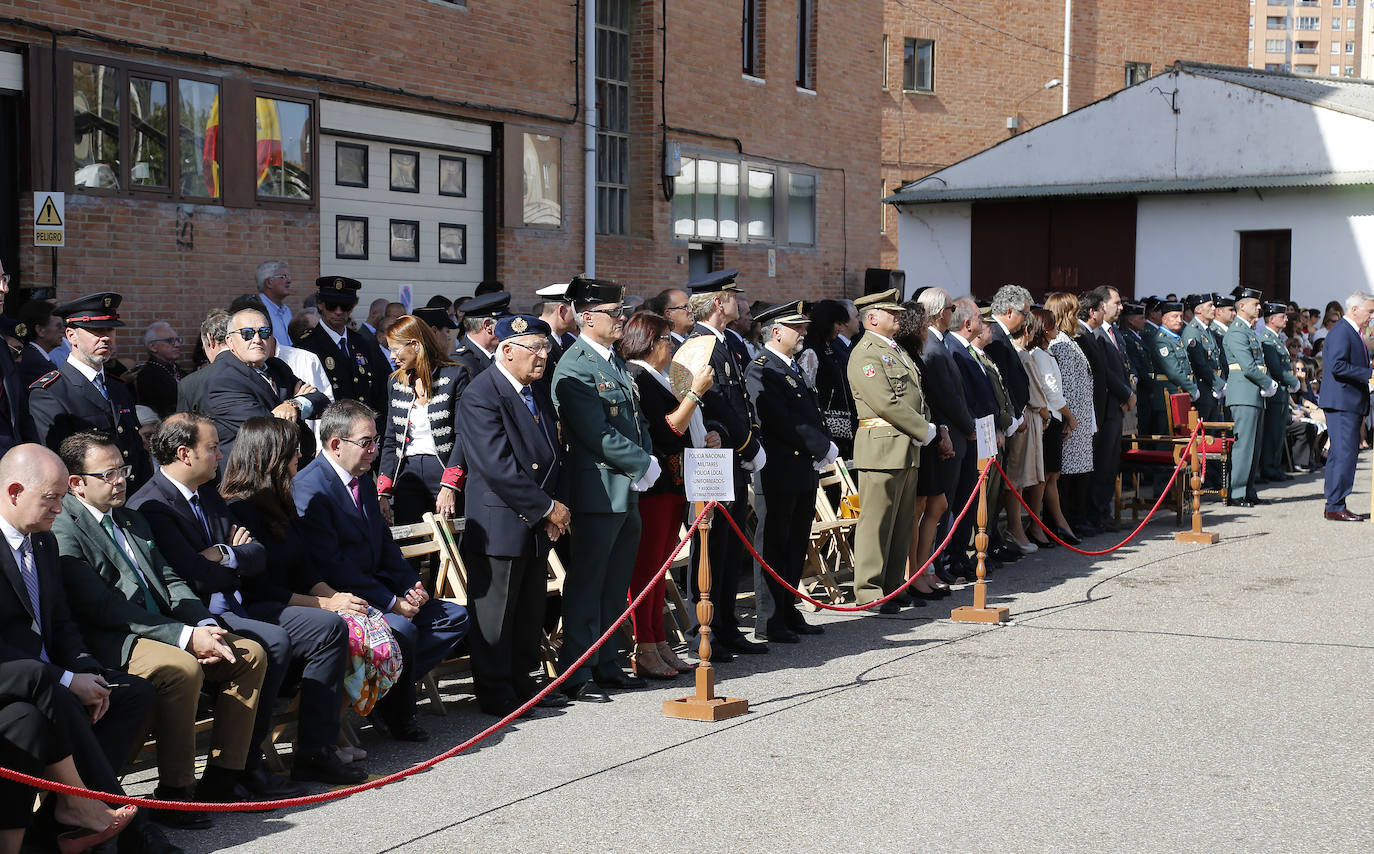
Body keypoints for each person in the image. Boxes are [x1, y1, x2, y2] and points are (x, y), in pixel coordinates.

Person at [129, 413, 360, 788]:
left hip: (237, 605)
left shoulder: (206, 492)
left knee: (329, 628)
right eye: (212, 448)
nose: (221, 455)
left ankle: (315, 752)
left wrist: (223, 554)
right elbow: (192, 576)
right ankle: (242, 764)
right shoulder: (153, 505)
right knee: (273, 642)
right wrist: (233, 560)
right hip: (198, 616)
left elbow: (256, 555)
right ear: (185, 454)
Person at [51, 431, 269, 824]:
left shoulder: (131, 517)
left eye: (123, 469)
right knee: (181, 668)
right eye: (108, 474)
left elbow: (169, 579)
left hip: (166, 626)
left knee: (248, 654)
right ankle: (175, 792)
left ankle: (222, 779)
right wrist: (186, 637)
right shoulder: (64, 527)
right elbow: (101, 606)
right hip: (116, 637)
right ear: (77, 483)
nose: (121, 480)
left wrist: (203, 623)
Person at [294, 400, 469, 740]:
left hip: (380, 588)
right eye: (366, 442)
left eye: (375, 440)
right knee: (402, 630)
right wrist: (391, 602)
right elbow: (332, 565)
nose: (375, 450)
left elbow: (384, 542)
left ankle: (379, 692)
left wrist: (409, 585)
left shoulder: (361, 476)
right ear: (336, 444)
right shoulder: (311, 487)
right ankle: (398, 713)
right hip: (347, 599)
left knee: (453, 617)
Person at [220, 417, 385, 772]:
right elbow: (260, 586)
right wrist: (325, 604)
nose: (300, 456)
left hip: (293, 602)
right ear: (270, 456)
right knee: (329, 627)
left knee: (353, 617)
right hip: (258, 608)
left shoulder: (280, 499)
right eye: (293, 451)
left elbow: (305, 569)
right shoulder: (239, 508)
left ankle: (329, 734)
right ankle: (315, 749)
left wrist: (338, 598)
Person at [457, 316, 571, 714]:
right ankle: (495, 692)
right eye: (534, 348)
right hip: (501, 522)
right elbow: (497, 465)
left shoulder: (534, 390)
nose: (543, 356)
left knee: (527, 611)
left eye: (545, 348)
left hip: (535, 520)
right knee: (496, 615)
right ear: (507, 350)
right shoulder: (481, 394)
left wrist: (553, 508)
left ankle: (523, 683)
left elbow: (555, 452)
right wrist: (547, 508)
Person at [552, 278, 659, 695]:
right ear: (588, 317)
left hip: (626, 487)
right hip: (597, 487)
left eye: (622, 311)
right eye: (614, 313)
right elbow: (594, 432)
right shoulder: (576, 364)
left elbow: (637, 420)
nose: (622, 319)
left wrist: (645, 459)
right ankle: (577, 671)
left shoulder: (613, 361)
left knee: (615, 583)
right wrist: (641, 463)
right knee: (588, 583)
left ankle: (607, 662)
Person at [622, 312, 714, 676]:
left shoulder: (659, 376)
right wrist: (694, 394)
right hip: (654, 485)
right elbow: (666, 431)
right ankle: (644, 645)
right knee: (647, 569)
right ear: (649, 342)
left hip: (674, 482)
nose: (672, 347)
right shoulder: (637, 376)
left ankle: (659, 641)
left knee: (660, 569)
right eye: (666, 340)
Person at [683, 270, 767, 655]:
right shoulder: (700, 345)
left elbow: (740, 400)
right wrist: (745, 444)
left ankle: (727, 624)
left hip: (730, 455)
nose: (739, 301)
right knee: (710, 545)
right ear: (718, 302)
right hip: (713, 458)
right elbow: (709, 404)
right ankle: (703, 630)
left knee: (730, 546)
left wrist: (749, 440)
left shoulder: (725, 341)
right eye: (733, 296)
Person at [745, 301, 836, 640]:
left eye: (803, 327)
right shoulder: (761, 368)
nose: (803, 332)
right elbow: (779, 420)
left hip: (801, 468)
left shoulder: (790, 366)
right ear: (776, 331)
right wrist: (821, 446)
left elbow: (809, 412)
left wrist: (821, 443)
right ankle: (769, 619)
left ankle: (787, 608)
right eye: (796, 327)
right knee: (774, 544)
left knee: (796, 542)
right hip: (779, 468)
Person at [846, 289, 935, 612]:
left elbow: (915, 395)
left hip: (905, 446)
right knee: (877, 522)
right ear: (872, 318)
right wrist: (923, 429)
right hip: (882, 448)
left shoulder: (894, 349)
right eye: (891, 313)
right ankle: (870, 590)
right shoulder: (866, 353)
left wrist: (923, 425)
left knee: (901, 522)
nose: (897, 317)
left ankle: (893, 584)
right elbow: (885, 401)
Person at [28, 293, 147, 485]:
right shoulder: (50, 392)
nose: (106, 337)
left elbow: (137, 451)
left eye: (110, 329)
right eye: (96, 331)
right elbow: (58, 462)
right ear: (71, 336)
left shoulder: (118, 388)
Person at [203, 305, 329, 463]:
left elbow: (322, 401)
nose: (257, 340)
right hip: (252, 471)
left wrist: (294, 405)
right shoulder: (222, 379)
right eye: (247, 333)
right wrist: (295, 407)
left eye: (264, 332)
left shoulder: (278, 367)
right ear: (230, 341)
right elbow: (266, 429)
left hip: (293, 466)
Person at [376, 315, 471, 526]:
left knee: (449, 538)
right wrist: (383, 492)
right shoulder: (395, 381)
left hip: (443, 468)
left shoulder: (455, 375)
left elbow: (463, 434)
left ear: (415, 345)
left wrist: (450, 485)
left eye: (395, 349)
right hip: (407, 473)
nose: (392, 356)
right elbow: (391, 438)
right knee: (411, 539)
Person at [914, 287, 971, 587]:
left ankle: (936, 564)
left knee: (943, 505)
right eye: (951, 307)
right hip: (945, 434)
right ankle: (932, 564)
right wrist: (968, 426)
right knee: (938, 505)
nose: (953, 313)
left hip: (952, 432)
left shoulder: (939, 343)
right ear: (940, 313)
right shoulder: (932, 348)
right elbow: (946, 397)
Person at [944, 297, 1000, 580]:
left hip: (979, 432)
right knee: (961, 500)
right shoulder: (954, 350)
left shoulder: (966, 350)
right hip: (968, 432)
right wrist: (972, 426)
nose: (982, 322)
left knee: (971, 497)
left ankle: (959, 555)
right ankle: (951, 557)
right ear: (967, 324)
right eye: (979, 318)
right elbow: (960, 397)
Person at [292, 277, 389, 412]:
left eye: (345, 306)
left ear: (352, 306)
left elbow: (381, 392)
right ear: (320, 304)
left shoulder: (364, 343)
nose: (338, 312)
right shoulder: (306, 346)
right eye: (331, 305)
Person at [1317, 291, 1374, 520]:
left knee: (1342, 454)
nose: (1372, 316)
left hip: (1348, 401)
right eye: (1370, 311)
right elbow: (1337, 366)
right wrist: (1368, 374)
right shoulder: (1342, 331)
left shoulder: (1351, 331)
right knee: (1343, 455)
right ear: (1355, 309)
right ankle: (1335, 505)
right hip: (1342, 402)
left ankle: (1334, 504)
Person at [1222, 288, 1278, 508]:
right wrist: (1268, 383)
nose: (1259, 307)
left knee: (1254, 446)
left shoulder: (1248, 330)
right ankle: (1236, 492)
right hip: (1243, 394)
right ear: (1242, 306)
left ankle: (1248, 490)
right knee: (1244, 446)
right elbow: (1248, 366)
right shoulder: (1237, 331)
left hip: (1252, 393)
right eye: (1255, 303)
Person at [1046, 293, 1095, 541]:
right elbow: (1066, 386)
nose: (1077, 317)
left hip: (1080, 418)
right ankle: (1063, 522)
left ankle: (1074, 519)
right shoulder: (1061, 343)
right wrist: (1069, 419)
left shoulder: (1068, 339)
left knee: (1075, 473)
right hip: (1071, 419)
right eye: (1074, 312)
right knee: (1065, 475)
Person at [1090, 286, 1135, 524]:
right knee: (1103, 462)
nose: (1121, 307)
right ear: (1102, 304)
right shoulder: (1097, 333)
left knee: (1111, 463)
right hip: (1106, 406)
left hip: (1118, 406)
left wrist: (1128, 394)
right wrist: (1126, 393)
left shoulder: (1114, 331)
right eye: (1116, 303)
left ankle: (1104, 512)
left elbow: (1123, 366)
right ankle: (1097, 513)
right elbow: (1105, 371)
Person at [799, 299, 858, 460]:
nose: (840, 329)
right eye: (837, 323)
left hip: (843, 429)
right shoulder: (811, 351)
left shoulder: (830, 347)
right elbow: (807, 396)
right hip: (825, 429)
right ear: (826, 322)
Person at [1012, 311, 1052, 546]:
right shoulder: (1023, 355)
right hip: (1030, 417)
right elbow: (1035, 394)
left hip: (1033, 417)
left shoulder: (1023, 354)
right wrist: (1046, 415)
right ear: (1027, 331)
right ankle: (1016, 528)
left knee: (1031, 477)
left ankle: (1026, 526)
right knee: (1019, 477)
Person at [1257, 302, 1301, 483]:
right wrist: (1294, 381)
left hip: (1281, 392)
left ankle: (1274, 466)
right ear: (1272, 319)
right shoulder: (1267, 338)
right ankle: (1269, 468)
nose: (1286, 319)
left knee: (1278, 432)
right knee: (1272, 432)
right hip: (1274, 392)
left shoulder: (1276, 338)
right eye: (1282, 316)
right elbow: (1275, 368)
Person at [176, 310, 230, 414]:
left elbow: (183, 423)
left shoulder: (189, 384)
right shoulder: (255, 370)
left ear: (210, 339)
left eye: (203, 346)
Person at [1182, 294, 1224, 422]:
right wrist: (1219, 384)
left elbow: (1216, 361)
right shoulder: (1193, 331)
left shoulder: (1207, 330)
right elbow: (1199, 363)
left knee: (1212, 431)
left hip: (1212, 390)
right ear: (1198, 310)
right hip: (1203, 390)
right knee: (1202, 431)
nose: (1214, 308)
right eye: (1210, 305)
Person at [452, 290, 509, 375]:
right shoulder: (460, 364)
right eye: (503, 324)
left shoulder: (496, 354)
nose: (508, 329)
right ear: (487, 326)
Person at [134, 322, 183, 419]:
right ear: (153, 346)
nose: (177, 345)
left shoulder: (177, 369)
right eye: (170, 341)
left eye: (178, 340)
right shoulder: (148, 376)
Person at [16, 299, 68, 388]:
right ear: (40, 330)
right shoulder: (39, 365)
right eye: (58, 326)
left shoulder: (29, 355)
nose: (63, 330)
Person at [254, 261, 294, 346]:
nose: (289, 281)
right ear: (269, 282)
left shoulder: (286, 310)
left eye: (288, 276)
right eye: (283, 277)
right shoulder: (257, 309)